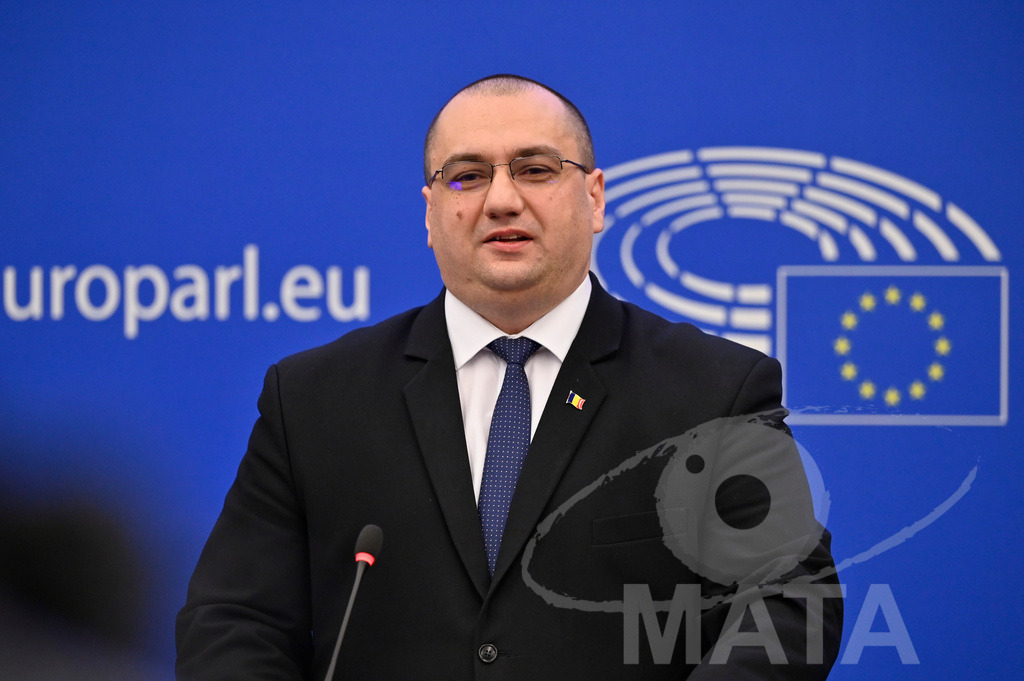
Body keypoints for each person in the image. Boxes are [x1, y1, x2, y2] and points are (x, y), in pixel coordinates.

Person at [176, 74, 842, 680]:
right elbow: (235, 621)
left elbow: (790, 599)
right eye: (466, 176)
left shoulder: (712, 390)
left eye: (535, 169)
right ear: (430, 212)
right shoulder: (315, 399)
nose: (501, 199)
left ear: (596, 197)